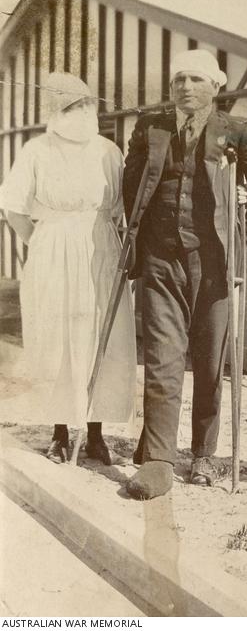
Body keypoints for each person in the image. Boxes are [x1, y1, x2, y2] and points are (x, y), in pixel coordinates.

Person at [123, 49, 247, 499]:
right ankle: (157, 461)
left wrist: (246, 238)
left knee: (210, 362)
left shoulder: (237, 129)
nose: (185, 87)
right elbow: (130, 183)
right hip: (159, 258)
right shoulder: (150, 127)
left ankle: (204, 455)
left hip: (214, 262)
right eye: (178, 80)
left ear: (216, 86)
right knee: (162, 357)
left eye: (195, 79)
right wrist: (134, 239)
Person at [1, 72, 137, 465]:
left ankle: (95, 433)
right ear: (54, 111)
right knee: (57, 338)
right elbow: (14, 208)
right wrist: (45, 244)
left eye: (83, 105)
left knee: (99, 336)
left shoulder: (108, 151)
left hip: (100, 250)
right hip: (53, 252)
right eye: (67, 106)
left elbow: (121, 209)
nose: (76, 113)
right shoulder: (37, 151)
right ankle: (60, 431)